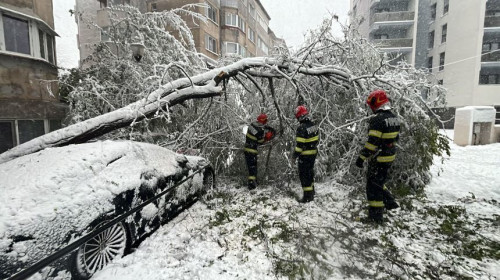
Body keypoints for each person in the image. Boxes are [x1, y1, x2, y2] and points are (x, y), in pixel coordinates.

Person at [355, 90, 400, 224]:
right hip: (390, 155)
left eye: (371, 105)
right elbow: (396, 137)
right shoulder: (393, 118)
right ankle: (391, 204)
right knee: (379, 181)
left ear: (377, 103)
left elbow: (372, 143)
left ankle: (376, 217)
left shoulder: (377, 120)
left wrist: (361, 158)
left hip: (379, 157)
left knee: (373, 187)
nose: (371, 108)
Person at [292, 105, 319, 203]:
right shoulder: (313, 125)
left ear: (299, 116)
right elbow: (317, 140)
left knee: (304, 175)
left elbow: (299, 145)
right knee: (310, 173)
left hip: (305, 155)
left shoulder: (301, 128)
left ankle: (307, 197)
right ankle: (312, 192)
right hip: (313, 154)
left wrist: (294, 156)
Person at [244, 113, 276, 190]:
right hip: (252, 150)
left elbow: (259, 128)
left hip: (247, 148)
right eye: (265, 121)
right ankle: (251, 185)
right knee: (253, 167)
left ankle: (254, 182)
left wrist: (266, 128)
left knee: (251, 167)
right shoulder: (260, 131)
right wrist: (267, 137)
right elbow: (261, 141)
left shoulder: (252, 125)